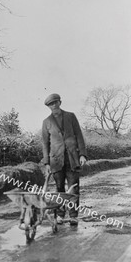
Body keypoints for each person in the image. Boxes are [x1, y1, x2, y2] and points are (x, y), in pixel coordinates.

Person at [42, 93, 87, 226]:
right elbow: (45, 144)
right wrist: (47, 163)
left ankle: (73, 216)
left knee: (74, 188)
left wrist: (82, 154)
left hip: (72, 159)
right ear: (48, 107)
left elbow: (79, 135)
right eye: (51, 104)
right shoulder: (46, 122)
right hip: (56, 161)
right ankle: (60, 215)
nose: (54, 105)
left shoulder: (71, 116)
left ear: (60, 102)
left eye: (55, 102)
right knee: (59, 189)